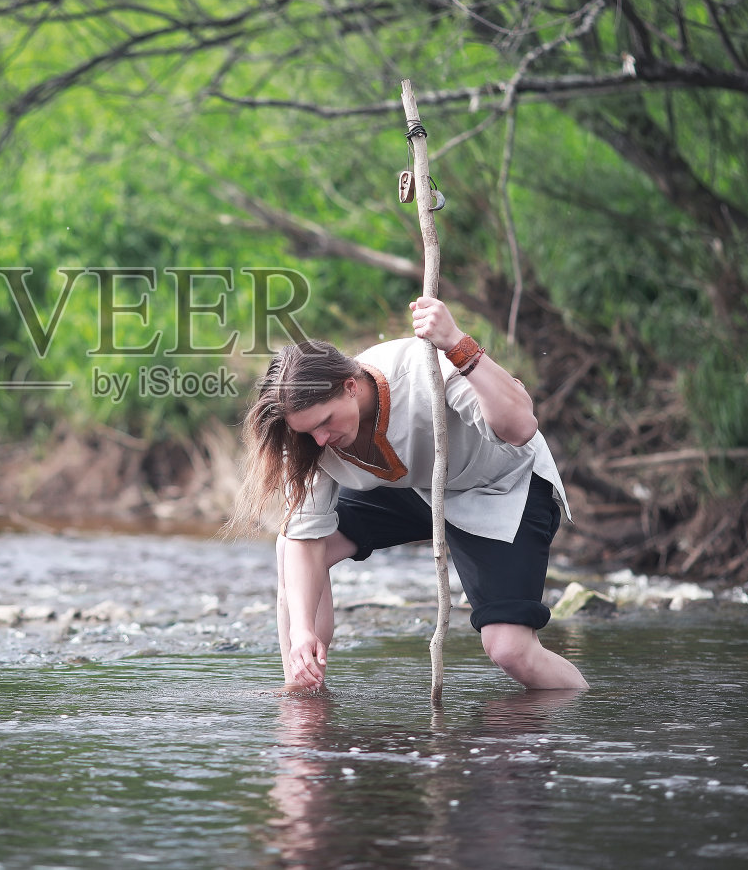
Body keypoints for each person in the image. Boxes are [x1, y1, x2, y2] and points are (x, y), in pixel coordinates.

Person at [232, 295, 588, 691]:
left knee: (510, 651)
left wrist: (457, 344)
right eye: (308, 431)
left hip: (500, 487)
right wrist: (301, 631)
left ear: (350, 386)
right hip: (414, 487)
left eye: (326, 421)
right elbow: (305, 536)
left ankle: (583, 706)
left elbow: (520, 427)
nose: (320, 439)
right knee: (292, 546)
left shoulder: (424, 369)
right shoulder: (307, 440)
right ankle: (303, 688)